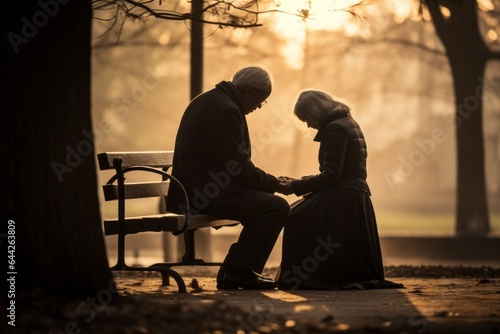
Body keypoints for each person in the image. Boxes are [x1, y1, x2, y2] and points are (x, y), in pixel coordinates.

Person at [167, 66, 292, 290]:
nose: (258, 107)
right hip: (203, 194)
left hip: (200, 187)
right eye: (260, 101)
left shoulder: (210, 100)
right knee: (276, 207)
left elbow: (231, 164)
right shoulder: (227, 110)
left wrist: (268, 184)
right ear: (250, 91)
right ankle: (240, 272)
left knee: (264, 202)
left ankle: (235, 271)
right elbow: (238, 167)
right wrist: (275, 184)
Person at [276, 89, 402, 290]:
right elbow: (338, 172)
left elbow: (331, 176)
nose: (308, 125)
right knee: (300, 212)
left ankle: (306, 276)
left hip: (343, 195)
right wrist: (300, 181)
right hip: (354, 194)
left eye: (307, 118)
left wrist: (295, 186)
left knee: (296, 215)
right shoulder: (348, 122)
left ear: (315, 111)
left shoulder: (334, 128)